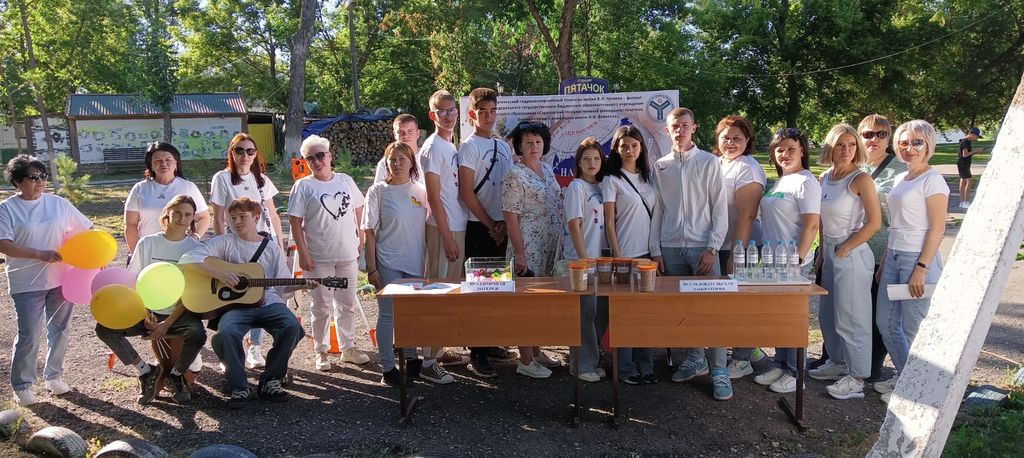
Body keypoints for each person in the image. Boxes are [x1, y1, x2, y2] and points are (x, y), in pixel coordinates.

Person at [180, 197, 313, 408]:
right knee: (225, 334)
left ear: (257, 217)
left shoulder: (270, 248)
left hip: (267, 301)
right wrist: (221, 275)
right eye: (232, 218)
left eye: (243, 216)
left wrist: (303, 285)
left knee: (292, 327)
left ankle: (271, 381)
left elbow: (281, 285)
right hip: (234, 306)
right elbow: (188, 259)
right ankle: (239, 386)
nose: (237, 221)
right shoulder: (225, 242)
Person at [650, 108, 731, 400]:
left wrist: (712, 247)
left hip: (702, 247)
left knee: (711, 310)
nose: (679, 130)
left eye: (685, 125)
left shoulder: (709, 162)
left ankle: (719, 370)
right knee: (684, 310)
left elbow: (719, 207)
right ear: (667, 130)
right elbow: (658, 209)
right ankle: (695, 359)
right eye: (675, 126)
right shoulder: (661, 165)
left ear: (694, 128)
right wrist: (655, 249)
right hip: (670, 247)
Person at [96, 195, 207, 405]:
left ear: (193, 219)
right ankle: (146, 372)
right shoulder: (147, 243)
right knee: (104, 329)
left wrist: (167, 324)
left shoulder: (194, 249)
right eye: (178, 213)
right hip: (145, 311)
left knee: (197, 334)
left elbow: (192, 292)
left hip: (177, 314)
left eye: (188, 215)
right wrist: (144, 315)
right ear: (167, 214)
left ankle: (176, 375)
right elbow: (134, 281)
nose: (182, 218)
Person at [0, 155, 92, 406]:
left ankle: (54, 377)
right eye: (33, 177)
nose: (40, 181)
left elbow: (86, 229)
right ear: (17, 182)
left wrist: (94, 255)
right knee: (29, 333)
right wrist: (40, 255)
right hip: (26, 283)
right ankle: (23, 386)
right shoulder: (7, 209)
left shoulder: (58, 204)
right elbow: (4, 244)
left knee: (60, 329)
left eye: (43, 176)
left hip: (61, 279)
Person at [874, 120, 949, 404]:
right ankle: (906, 376)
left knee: (913, 328)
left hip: (917, 260)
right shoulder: (899, 179)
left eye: (917, 142)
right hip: (894, 257)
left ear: (928, 144)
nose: (910, 148)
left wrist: (921, 268)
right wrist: (884, 260)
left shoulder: (933, 180)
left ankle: (922, 388)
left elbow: (937, 228)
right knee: (886, 323)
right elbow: (895, 224)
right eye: (904, 143)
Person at [808, 124, 881, 400]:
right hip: (829, 252)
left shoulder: (860, 179)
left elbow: (874, 223)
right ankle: (837, 364)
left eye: (851, 145)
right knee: (828, 315)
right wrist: (822, 254)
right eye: (841, 145)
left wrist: (843, 249)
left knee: (852, 316)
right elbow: (821, 221)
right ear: (830, 147)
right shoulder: (824, 177)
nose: (846, 150)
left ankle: (857, 377)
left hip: (851, 252)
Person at [288, 135, 371, 372]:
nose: (316, 161)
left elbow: (358, 210)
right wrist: (303, 255)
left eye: (320, 155)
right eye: (310, 158)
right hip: (318, 256)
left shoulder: (345, 180)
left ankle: (348, 348)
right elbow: (295, 222)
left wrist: (360, 240)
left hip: (346, 254)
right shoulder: (303, 186)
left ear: (329, 155)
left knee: (346, 303)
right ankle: (321, 351)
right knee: (321, 305)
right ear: (305, 162)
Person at [752, 128, 821, 394]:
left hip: (792, 263)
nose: (784, 154)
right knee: (778, 316)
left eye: (790, 148)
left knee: (793, 318)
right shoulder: (781, 181)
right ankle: (781, 363)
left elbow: (812, 225)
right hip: (772, 261)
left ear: (802, 150)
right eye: (779, 150)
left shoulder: (806, 181)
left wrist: (797, 260)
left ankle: (796, 372)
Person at [210, 133, 285, 370]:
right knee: (233, 291)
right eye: (240, 150)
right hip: (236, 243)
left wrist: (280, 244)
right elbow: (219, 217)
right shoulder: (222, 178)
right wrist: (221, 247)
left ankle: (255, 347)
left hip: (262, 242)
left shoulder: (261, 179)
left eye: (250, 151)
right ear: (232, 153)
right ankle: (232, 350)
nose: (245, 155)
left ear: (256, 154)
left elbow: (272, 214)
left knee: (259, 293)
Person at [457, 87, 518, 377]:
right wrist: (490, 224)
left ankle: (491, 341)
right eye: (482, 111)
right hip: (479, 228)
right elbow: (467, 193)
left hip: (500, 227)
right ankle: (477, 353)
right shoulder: (468, 147)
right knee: (479, 291)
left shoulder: (503, 146)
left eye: (493, 111)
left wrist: (503, 224)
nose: (488, 117)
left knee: (498, 289)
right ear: (472, 114)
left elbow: (508, 188)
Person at [362, 142, 430, 386]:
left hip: (415, 260)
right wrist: (372, 268)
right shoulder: (378, 191)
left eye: (402, 159)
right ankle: (388, 367)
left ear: (412, 162)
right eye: (393, 159)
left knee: (410, 314)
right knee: (389, 314)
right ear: (386, 163)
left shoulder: (421, 191)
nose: (397, 164)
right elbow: (368, 232)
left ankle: (412, 358)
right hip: (387, 260)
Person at [502, 121, 564, 379]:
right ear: (519, 146)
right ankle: (525, 359)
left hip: (549, 245)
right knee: (525, 304)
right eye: (528, 142)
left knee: (540, 302)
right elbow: (510, 217)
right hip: (527, 246)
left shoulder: (547, 170)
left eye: (538, 141)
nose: (534, 146)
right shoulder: (514, 175)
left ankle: (536, 351)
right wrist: (520, 254)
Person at [417, 90, 472, 379]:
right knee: (437, 292)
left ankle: (435, 350)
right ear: (433, 115)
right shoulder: (431, 148)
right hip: (442, 228)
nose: (449, 116)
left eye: (452, 111)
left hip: (456, 225)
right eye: (442, 112)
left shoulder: (451, 146)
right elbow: (434, 198)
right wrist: (448, 236)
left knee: (450, 290)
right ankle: (427, 363)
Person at [711, 116, 767, 380]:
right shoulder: (718, 163)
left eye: (737, 138)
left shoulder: (748, 168)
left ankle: (742, 358)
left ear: (747, 141)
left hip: (740, 244)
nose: (730, 142)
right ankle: (751, 347)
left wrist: (737, 254)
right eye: (726, 137)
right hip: (719, 242)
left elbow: (746, 216)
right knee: (725, 302)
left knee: (738, 302)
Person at [602, 125, 657, 385]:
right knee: (623, 315)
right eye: (624, 146)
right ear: (616, 148)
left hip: (647, 256)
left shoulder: (649, 178)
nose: (629, 150)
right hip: (624, 256)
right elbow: (609, 222)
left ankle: (646, 365)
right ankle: (624, 367)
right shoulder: (611, 180)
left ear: (641, 147)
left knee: (646, 315)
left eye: (634, 145)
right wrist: (618, 255)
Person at [856, 114, 907, 382]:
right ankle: (839, 358)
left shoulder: (901, 169)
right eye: (867, 134)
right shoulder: (853, 166)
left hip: (882, 252)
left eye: (881, 134)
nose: (873, 139)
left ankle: (873, 366)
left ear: (889, 138)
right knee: (853, 309)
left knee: (878, 314)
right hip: (852, 250)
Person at [563, 138, 608, 383]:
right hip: (581, 261)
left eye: (596, 158)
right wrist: (584, 258)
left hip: (599, 261)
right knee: (584, 314)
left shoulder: (601, 188)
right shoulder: (576, 187)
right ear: (578, 162)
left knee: (596, 314)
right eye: (587, 159)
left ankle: (592, 360)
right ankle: (580, 365)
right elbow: (574, 225)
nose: (592, 163)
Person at [124, 142, 210, 254]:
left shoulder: (188, 187)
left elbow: (204, 218)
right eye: (157, 160)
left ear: (176, 163)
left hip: (179, 251)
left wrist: (194, 238)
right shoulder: (140, 188)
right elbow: (130, 225)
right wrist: (137, 253)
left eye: (168, 159)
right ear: (151, 165)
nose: (163, 163)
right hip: (148, 250)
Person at [374, 114, 420, 184]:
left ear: (417, 133)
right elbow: (378, 191)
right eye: (400, 132)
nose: (405, 135)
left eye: (410, 131)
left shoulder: (428, 158)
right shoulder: (386, 163)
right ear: (394, 134)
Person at [956, 127, 984, 208]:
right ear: (972, 134)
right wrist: (976, 151)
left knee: (963, 182)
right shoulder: (966, 142)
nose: (976, 138)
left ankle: (962, 202)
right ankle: (965, 202)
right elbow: (965, 154)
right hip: (963, 163)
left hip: (962, 163)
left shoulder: (964, 140)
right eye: (976, 136)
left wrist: (975, 151)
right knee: (969, 181)